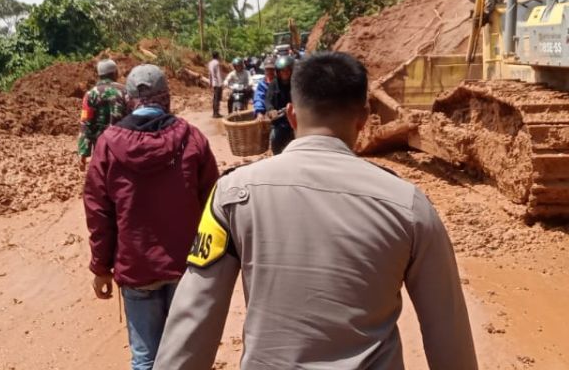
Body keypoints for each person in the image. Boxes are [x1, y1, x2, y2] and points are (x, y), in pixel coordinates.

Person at [153, 52, 478, 370]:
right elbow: (448, 330)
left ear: (292, 115)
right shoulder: (409, 205)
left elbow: (193, 319)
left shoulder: (232, 195)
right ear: (363, 119)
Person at [83, 64, 219, 370]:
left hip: (136, 268)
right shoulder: (192, 138)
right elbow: (213, 203)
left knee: (145, 358)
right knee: (186, 356)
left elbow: (98, 212)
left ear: (130, 100)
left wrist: (101, 268)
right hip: (187, 267)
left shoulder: (107, 144)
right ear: (167, 98)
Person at [78, 59, 127, 170]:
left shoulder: (91, 94)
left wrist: (83, 153)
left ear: (99, 75)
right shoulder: (125, 91)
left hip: (100, 148)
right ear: (115, 73)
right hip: (122, 146)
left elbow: (86, 124)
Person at [253, 54, 295, 154]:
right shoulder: (273, 84)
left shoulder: (296, 83)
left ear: (292, 71)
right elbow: (267, 100)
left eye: (287, 70)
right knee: (275, 137)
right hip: (279, 120)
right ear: (278, 72)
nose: (285, 73)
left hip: (295, 118)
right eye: (282, 71)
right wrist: (271, 110)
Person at [207, 51, 224, 118]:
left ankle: (215, 112)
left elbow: (210, 73)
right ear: (217, 56)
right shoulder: (217, 63)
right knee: (217, 98)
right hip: (217, 83)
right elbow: (218, 74)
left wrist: (210, 82)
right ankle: (216, 113)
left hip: (214, 83)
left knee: (215, 98)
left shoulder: (210, 63)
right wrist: (221, 83)